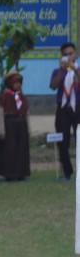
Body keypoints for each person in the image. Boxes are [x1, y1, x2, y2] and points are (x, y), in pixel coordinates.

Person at [49, 42, 78, 180]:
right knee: (63, 140)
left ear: (76, 54)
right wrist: (62, 70)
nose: (68, 57)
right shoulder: (57, 71)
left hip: (78, 107)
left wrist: (74, 69)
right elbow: (53, 86)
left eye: (70, 53)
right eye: (65, 55)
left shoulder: (78, 70)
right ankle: (67, 172)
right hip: (63, 108)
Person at [0, 72, 30, 181]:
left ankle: (21, 172)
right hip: (10, 123)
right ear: (10, 83)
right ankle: (10, 173)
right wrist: (2, 129)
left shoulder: (21, 96)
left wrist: (28, 127)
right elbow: (0, 112)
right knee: (11, 148)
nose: (18, 85)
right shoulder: (5, 96)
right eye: (15, 82)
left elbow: (26, 111)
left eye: (19, 82)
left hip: (21, 122)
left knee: (21, 147)